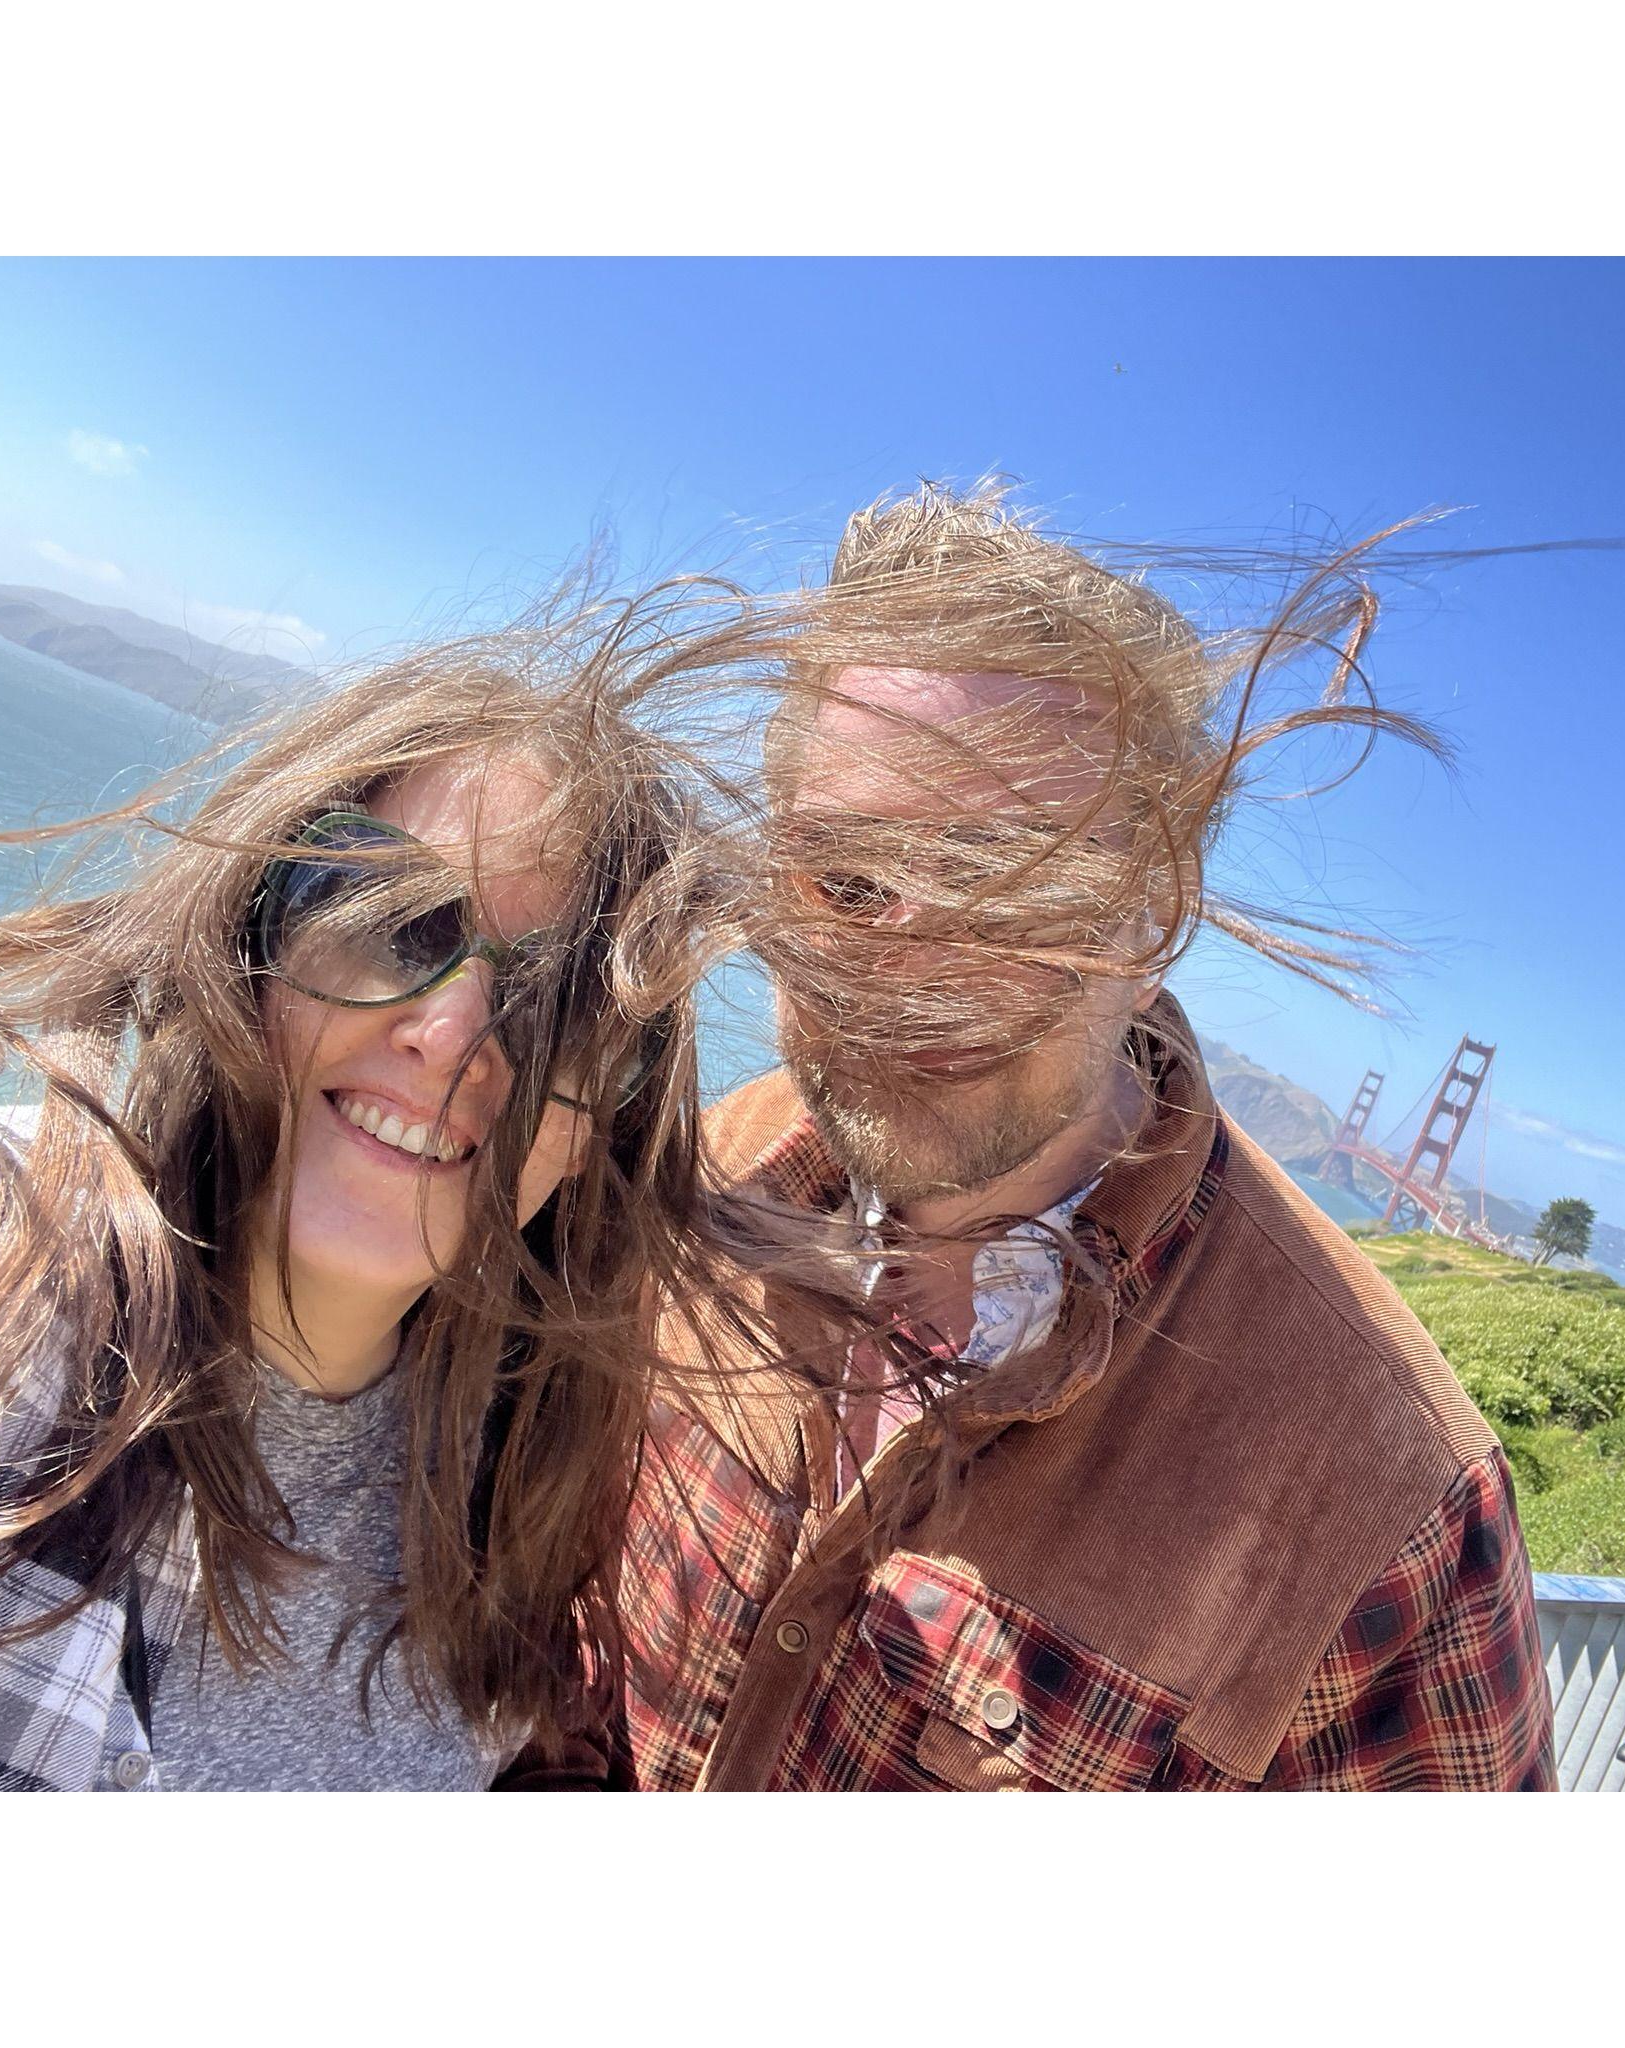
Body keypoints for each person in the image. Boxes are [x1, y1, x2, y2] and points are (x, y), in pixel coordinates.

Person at [610, 483, 1558, 1791]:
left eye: (1015, 890)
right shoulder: (688, 1182)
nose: (914, 975)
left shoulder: (1388, 1509)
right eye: (851, 882)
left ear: (1154, 912)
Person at [0, 606, 700, 1790]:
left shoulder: (516, 1495)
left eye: (562, 1005)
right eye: (391, 920)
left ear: (597, 1136)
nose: (453, 1036)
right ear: (252, 932)